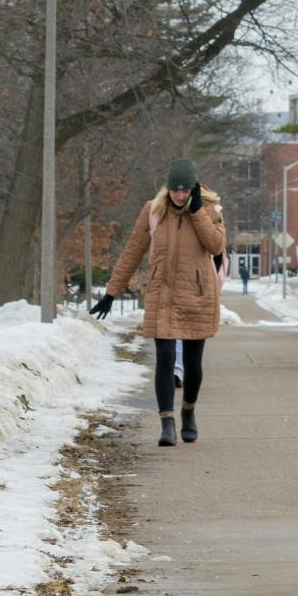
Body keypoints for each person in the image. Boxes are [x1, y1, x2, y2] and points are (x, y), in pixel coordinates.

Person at [92, 158, 226, 446]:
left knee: (192, 364)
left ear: (194, 188)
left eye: (185, 190)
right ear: (168, 188)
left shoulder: (210, 210)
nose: (180, 195)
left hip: (197, 295)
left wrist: (197, 212)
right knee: (165, 358)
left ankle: (188, 412)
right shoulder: (153, 211)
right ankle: (167, 422)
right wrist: (111, 292)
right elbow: (132, 251)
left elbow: (215, 246)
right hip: (162, 294)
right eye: (175, 190)